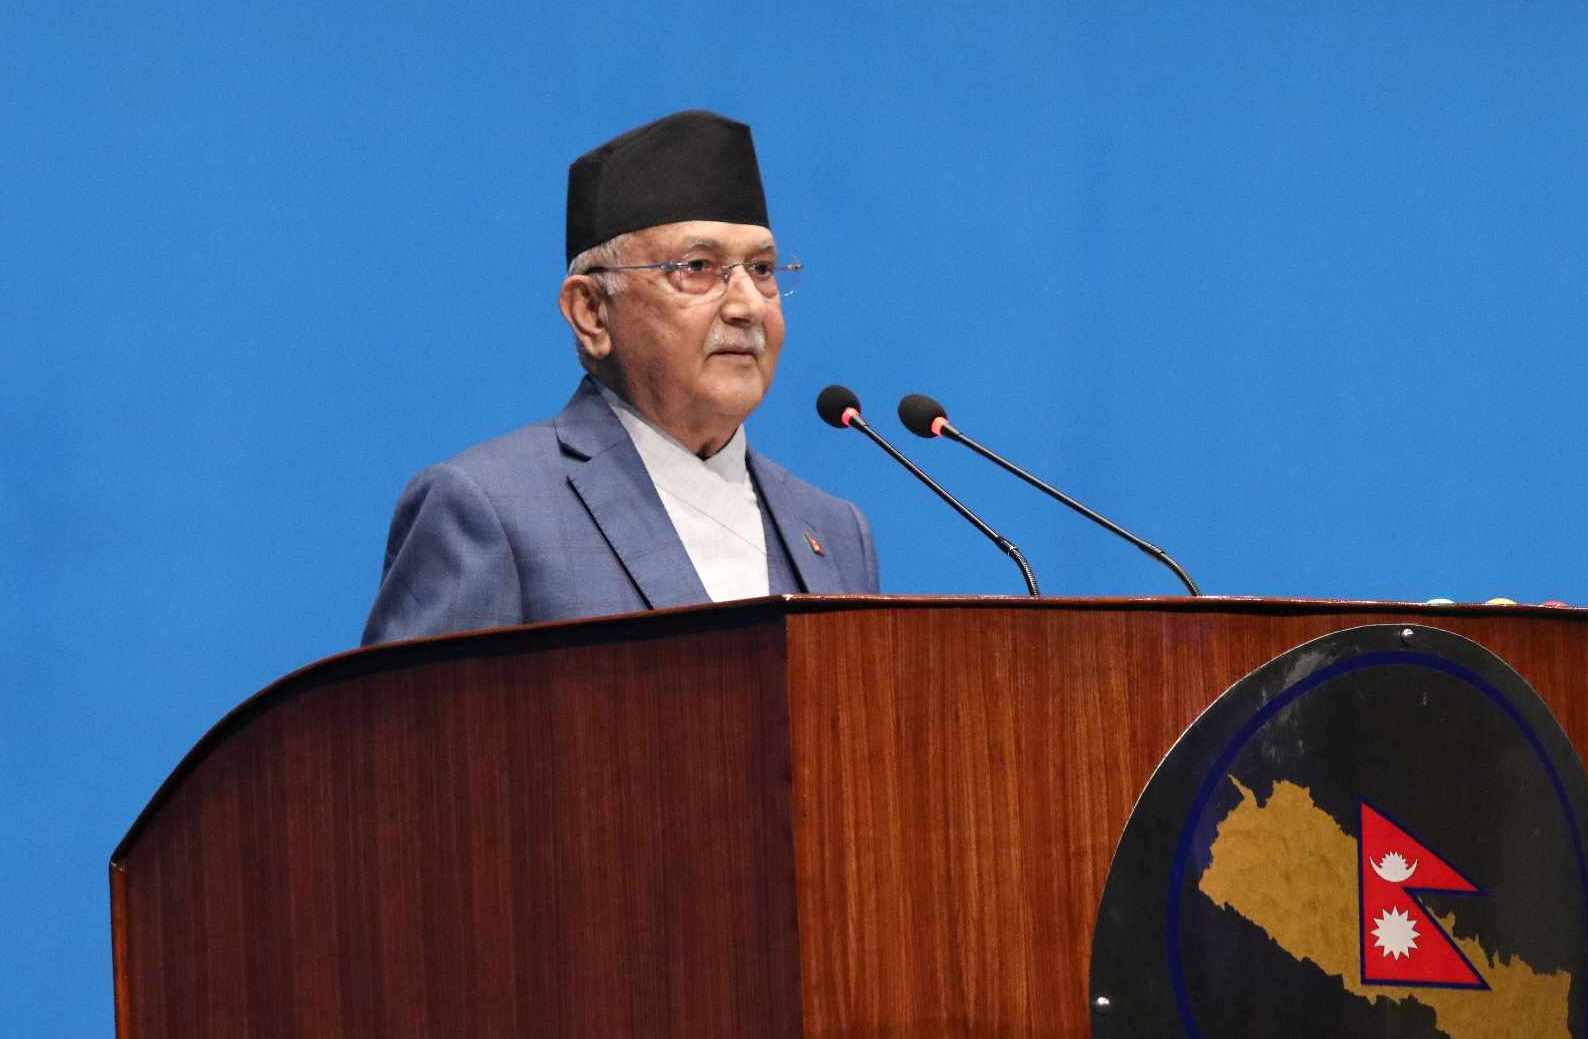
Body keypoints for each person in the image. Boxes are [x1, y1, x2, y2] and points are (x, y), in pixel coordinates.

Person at [361, 110, 879, 645]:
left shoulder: (836, 531)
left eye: (763, 270)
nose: (747, 306)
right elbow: (412, 706)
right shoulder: (488, 510)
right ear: (591, 312)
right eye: (697, 267)